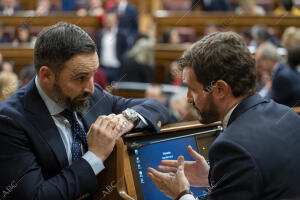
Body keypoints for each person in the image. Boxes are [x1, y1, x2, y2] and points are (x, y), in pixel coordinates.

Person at [0, 22, 173, 200]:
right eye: (81, 77)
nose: (91, 87)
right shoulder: (9, 121)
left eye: (93, 74)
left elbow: (157, 108)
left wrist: (126, 119)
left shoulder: (92, 94)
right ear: (46, 76)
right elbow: (37, 196)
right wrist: (95, 156)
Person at [147, 32, 300, 200]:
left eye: (193, 89)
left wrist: (181, 193)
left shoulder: (232, 146)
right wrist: (213, 178)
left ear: (220, 89)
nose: (188, 98)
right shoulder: (289, 116)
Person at [256, 42, 300, 107]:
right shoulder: (283, 69)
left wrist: (267, 88)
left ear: (270, 59)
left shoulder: (281, 77)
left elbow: (271, 105)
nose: (257, 65)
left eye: (259, 60)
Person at [96, 10, 128, 83]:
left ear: (116, 21)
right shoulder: (100, 34)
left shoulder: (121, 34)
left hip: (116, 69)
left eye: (111, 20)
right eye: (107, 20)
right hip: (102, 68)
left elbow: (125, 51)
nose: (109, 22)